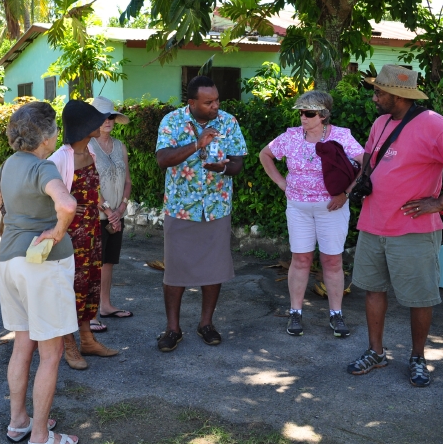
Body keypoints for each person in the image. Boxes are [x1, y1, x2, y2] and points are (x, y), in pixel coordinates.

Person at [346, 64, 443, 387]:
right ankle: (376, 352)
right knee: (373, 289)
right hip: (373, 223)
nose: (374, 98)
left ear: (399, 94)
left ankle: (418, 357)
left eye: (380, 92)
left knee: (420, 298)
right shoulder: (380, 123)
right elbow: (370, 161)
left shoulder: (436, 125)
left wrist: (441, 202)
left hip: (414, 229)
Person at [0, 102, 79, 444]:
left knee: (22, 345)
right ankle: (41, 435)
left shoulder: (8, 165)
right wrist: (57, 233)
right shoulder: (44, 168)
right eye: (55, 129)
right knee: (51, 354)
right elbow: (67, 205)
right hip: (42, 266)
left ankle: (19, 422)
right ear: (46, 137)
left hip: (9, 262)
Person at [259, 90, 364, 337]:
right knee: (301, 259)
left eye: (309, 113)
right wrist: (282, 184)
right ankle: (295, 312)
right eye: (301, 113)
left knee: (332, 261)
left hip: (332, 208)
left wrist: (346, 193)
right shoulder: (291, 136)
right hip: (298, 208)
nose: (303, 118)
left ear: (323, 115)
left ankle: (336, 314)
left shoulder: (341, 136)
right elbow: (265, 154)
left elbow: (365, 164)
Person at [155, 75, 247, 351]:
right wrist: (197, 145)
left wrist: (223, 168)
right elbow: (163, 159)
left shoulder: (228, 121)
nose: (215, 106)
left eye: (217, 100)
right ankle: (173, 328)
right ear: (192, 102)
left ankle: (206, 324)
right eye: (208, 102)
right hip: (181, 208)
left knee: (214, 269)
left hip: (217, 208)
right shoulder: (172, 121)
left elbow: (238, 163)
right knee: (175, 272)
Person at [49, 100, 118, 370]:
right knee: (70, 288)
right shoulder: (59, 158)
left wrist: (105, 208)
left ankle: (87, 339)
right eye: (95, 120)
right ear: (82, 126)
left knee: (90, 284)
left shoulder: (90, 152)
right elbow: (47, 196)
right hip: (70, 234)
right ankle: (69, 344)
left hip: (91, 230)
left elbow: (93, 190)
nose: (101, 123)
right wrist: (65, 206)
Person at [88, 96, 133, 333]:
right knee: (92, 264)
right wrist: (107, 209)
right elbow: (88, 184)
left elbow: (128, 181)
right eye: (103, 117)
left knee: (108, 262)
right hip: (96, 215)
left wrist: (121, 209)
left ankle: (105, 306)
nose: (108, 121)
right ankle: (89, 314)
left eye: (111, 116)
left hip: (116, 214)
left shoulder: (120, 146)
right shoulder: (87, 147)